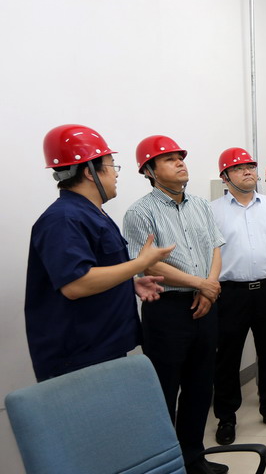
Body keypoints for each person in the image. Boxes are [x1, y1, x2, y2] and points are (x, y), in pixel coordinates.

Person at [26, 124, 172, 382]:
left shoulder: (92, 214)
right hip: (79, 355)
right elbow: (76, 284)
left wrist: (129, 283)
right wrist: (140, 263)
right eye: (112, 166)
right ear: (90, 172)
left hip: (102, 345)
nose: (116, 174)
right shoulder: (63, 219)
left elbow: (95, 270)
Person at [123, 135, 226, 474]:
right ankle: (165, 467)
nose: (180, 162)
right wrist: (200, 284)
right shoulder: (140, 212)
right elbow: (146, 264)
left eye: (180, 157)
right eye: (168, 159)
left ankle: (193, 457)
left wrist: (209, 288)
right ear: (149, 171)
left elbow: (215, 247)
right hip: (166, 308)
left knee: (201, 385)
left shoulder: (201, 205)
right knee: (165, 389)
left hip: (205, 304)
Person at [211, 147, 266, 446]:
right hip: (230, 293)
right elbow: (209, 252)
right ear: (225, 177)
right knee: (227, 356)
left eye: (250, 166)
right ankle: (226, 417)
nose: (247, 171)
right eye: (239, 168)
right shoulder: (212, 210)